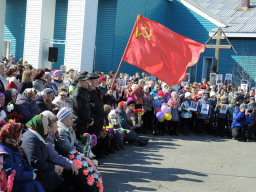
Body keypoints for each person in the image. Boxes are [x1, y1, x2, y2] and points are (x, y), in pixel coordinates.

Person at [22, 115, 64, 192]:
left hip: (43, 169)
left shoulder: (36, 135)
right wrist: (53, 167)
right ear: (39, 125)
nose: (48, 128)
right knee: (56, 177)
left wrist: (54, 167)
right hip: (35, 172)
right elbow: (36, 162)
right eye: (46, 125)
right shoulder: (31, 138)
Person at [0, 122, 45, 192]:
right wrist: (32, 175)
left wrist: (33, 170)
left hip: (21, 180)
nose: (22, 136)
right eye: (20, 134)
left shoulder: (13, 146)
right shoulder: (5, 151)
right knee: (34, 184)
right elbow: (12, 174)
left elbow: (22, 163)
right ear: (13, 135)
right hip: (13, 185)